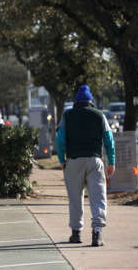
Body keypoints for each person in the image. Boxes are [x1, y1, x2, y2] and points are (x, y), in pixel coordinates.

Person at [56, 85, 115, 247]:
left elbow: (60, 141)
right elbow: (109, 140)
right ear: (91, 101)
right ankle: (97, 233)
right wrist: (112, 161)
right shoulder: (99, 115)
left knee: (75, 198)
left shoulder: (67, 116)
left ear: (76, 101)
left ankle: (76, 233)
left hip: (74, 161)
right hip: (95, 161)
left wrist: (62, 160)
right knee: (98, 197)